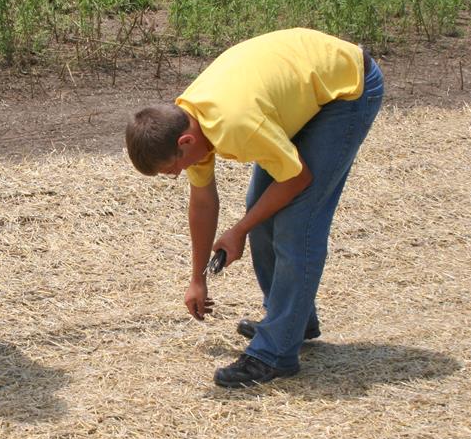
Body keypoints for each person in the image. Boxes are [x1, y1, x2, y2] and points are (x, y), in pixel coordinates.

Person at [125, 28, 384, 388]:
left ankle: (275, 352)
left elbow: (296, 179)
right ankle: (293, 321)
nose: (178, 174)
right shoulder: (189, 123)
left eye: (173, 168)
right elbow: (202, 203)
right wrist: (197, 277)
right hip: (301, 93)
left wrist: (238, 230)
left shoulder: (235, 125)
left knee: (296, 221)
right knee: (259, 210)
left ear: (185, 143)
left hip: (345, 91)